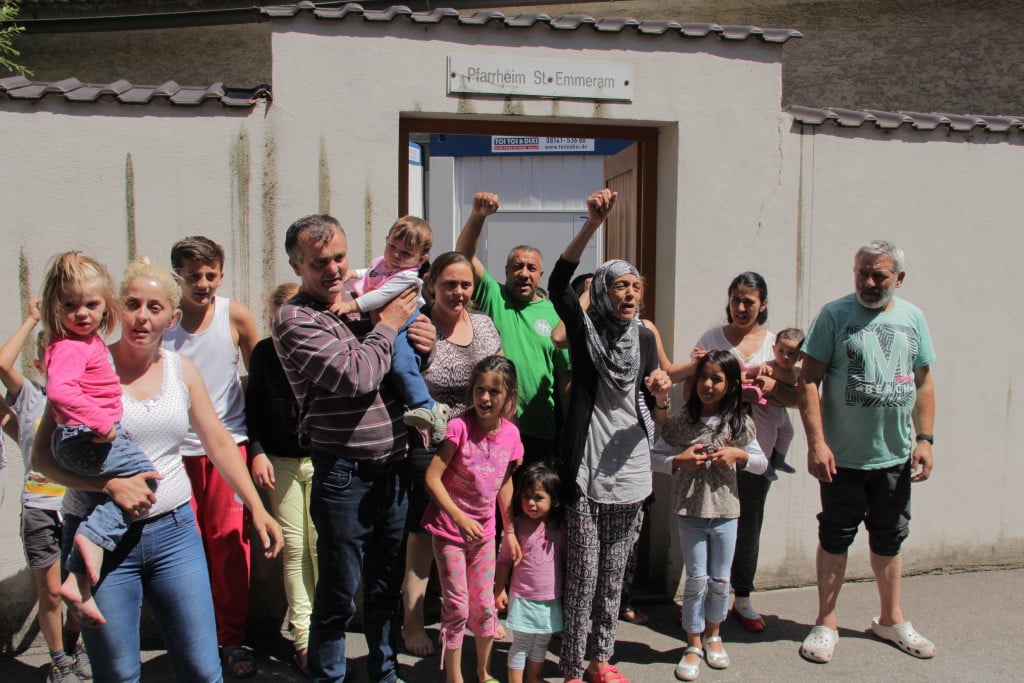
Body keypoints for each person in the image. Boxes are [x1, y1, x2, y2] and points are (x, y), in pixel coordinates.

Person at [34, 257, 283, 683]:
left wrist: (257, 508)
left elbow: (219, 442)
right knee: (118, 673)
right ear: (117, 307)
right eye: (132, 304)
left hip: (174, 532)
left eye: (154, 307)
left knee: (203, 670)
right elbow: (42, 460)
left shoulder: (180, 370)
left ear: (172, 318)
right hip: (100, 538)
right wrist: (107, 484)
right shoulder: (88, 365)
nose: (142, 317)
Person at [272, 213, 434, 683]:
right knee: (338, 596)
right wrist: (390, 324)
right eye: (320, 261)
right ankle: (328, 676)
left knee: (385, 589)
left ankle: (384, 674)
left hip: (395, 468)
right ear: (296, 265)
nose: (334, 269)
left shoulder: (364, 300)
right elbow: (356, 375)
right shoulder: (295, 318)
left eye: (340, 257)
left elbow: (404, 363)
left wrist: (425, 342)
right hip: (344, 473)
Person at [551, 188, 672, 683]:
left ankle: (602, 661)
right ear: (602, 290)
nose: (628, 294)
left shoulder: (643, 337)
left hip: (632, 468)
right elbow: (559, 283)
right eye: (619, 285)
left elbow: (656, 413)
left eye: (635, 287)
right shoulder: (585, 332)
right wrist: (591, 225)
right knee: (583, 576)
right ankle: (574, 668)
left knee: (614, 576)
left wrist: (661, 394)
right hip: (586, 469)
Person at [797, 240, 936, 664]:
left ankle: (891, 619)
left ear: (899, 277)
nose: (869, 282)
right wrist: (817, 443)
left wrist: (925, 439)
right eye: (862, 273)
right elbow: (808, 381)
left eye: (879, 275)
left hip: (894, 457)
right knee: (836, 536)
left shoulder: (913, 318)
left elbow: (923, 381)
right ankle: (826, 621)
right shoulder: (835, 315)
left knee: (890, 538)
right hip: (843, 459)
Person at [39, 251, 157, 628]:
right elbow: (59, 393)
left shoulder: (86, 343)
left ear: (106, 306)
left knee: (88, 503)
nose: (82, 313)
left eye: (91, 304)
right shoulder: (68, 346)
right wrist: (100, 423)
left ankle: (77, 585)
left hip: (82, 436)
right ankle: (93, 541)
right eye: (70, 306)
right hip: (84, 436)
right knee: (145, 477)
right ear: (55, 307)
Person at [161, 235, 262, 678]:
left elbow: (262, 385)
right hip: (172, 453)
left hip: (229, 448)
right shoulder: (163, 323)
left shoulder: (235, 315)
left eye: (210, 274)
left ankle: (232, 639)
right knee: (182, 550)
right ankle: (192, 638)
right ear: (177, 278)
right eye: (193, 275)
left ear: (221, 273)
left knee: (227, 545)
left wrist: (256, 448)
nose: (203, 283)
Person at [401, 251, 503, 658]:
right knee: (424, 538)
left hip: (478, 446)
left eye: (465, 284)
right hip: (430, 448)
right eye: (449, 284)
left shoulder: (483, 324)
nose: (458, 292)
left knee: (476, 536)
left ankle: (468, 619)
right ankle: (411, 622)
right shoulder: (418, 325)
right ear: (431, 286)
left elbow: (499, 376)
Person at [651, 350, 769, 681]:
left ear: (731, 385)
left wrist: (738, 454)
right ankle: (692, 643)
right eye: (702, 377)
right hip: (690, 512)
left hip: (727, 512)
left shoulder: (739, 423)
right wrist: (679, 461)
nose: (707, 384)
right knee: (697, 580)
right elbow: (654, 456)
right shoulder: (681, 422)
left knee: (720, 580)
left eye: (717, 379)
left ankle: (714, 635)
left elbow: (762, 464)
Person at [690, 272, 797, 633]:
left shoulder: (777, 346)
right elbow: (695, 390)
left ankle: (743, 597)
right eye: (736, 299)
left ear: (762, 304)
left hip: (756, 454)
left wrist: (773, 385)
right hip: (713, 452)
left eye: (749, 301)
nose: (741, 307)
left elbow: (797, 398)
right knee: (705, 525)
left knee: (748, 524)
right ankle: (699, 598)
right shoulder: (712, 339)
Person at [1, 299, 91, 683]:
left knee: (80, 591)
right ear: (40, 365)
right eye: (50, 359)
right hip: (39, 508)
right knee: (50, 592)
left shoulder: (84, 399)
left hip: (77, 507)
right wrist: (33, 319)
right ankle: (60, 661)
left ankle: (74, 644)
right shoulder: (31, 398)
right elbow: (3, 365)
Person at [422, 355, 522, 683]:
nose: (485, 398)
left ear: (509, 396)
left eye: (494, 392)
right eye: (480, 389)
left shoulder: (511, 436)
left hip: (485, 533)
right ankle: (455, 678)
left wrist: (509, 531)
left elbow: (504, 482)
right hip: (450, 530)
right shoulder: (459, 427)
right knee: (458, 608)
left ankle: (483, 672)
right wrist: (459, 518)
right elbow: (432, 478)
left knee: (484, 606)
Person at [455, 192, 571, 464]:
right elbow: (463, 255)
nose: (524, 273)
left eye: (532, 267)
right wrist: (478, 216)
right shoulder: (494, 295)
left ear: (541, 274)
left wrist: (568, 427)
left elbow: (565, 376)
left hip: (541, 429)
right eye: (517, 266)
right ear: (506, 270)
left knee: (534, 504)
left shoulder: (554, 313)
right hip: (492, 427)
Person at [245, 281, 316, 674]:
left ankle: (323, 635)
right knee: (294, 548)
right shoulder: (264, 353)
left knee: (322, 548)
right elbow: (252, 408)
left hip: (323, 460)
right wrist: (256, 453)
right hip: (280, 461)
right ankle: (304, 640)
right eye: (281, 317)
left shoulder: (321, 347)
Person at [332, 216, 450, 443]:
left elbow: (379, 296)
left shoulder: (406, 276)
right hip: (389, 327)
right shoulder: (384, 262)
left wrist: (350, 305)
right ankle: (425, 406)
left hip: (405, 326)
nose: (395, 255)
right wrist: (353, 274)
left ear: (421, 258)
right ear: (386, 240)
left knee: (401, 364)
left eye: (405, 253)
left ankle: (429, 407)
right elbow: (372, 271)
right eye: (392, 247)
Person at [494, 462, 565, 683]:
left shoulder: (560, 527)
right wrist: (499, 591)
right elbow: (504, 561)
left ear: (553, 501)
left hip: (550, 599)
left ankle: (533, 678)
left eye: (538, 497)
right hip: (523, 597)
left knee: (542, 642)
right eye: (525, 497)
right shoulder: (515, 527)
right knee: (522, 643)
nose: (530, 503)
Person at [743, 327, 804, 480]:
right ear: (773, 349)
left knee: (788, 433)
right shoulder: (769, 366)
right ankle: (765, 466)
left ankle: (779, 460)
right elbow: (747, 372)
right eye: (781, 351)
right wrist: (759, 368)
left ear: (800, 355)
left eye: (791, 353)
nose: (785, 357)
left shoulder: (797, 371)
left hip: (781, 410)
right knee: (767, 439)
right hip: (765, 409)